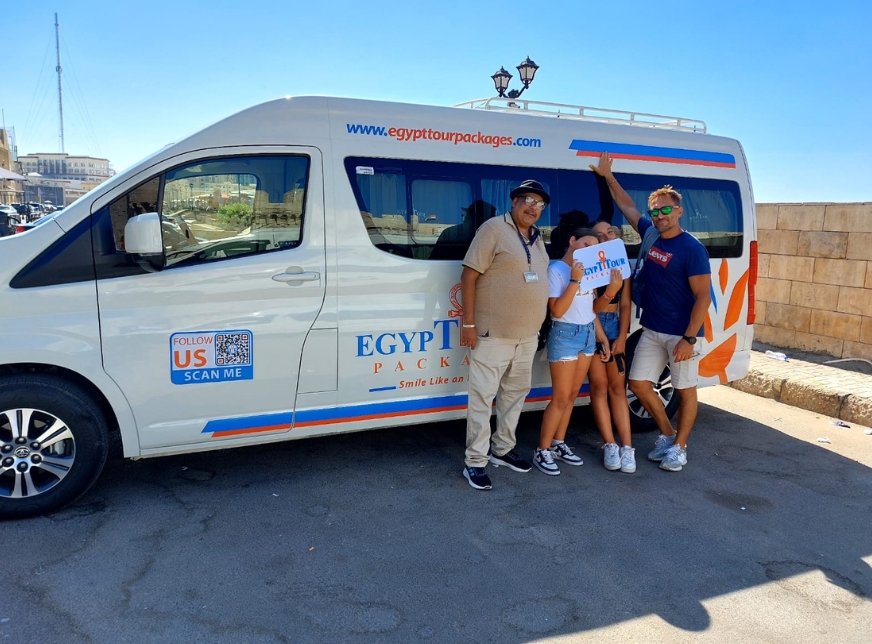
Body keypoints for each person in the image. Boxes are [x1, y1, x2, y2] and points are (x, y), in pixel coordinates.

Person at [591, 152, 711, 472]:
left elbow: (703, 297)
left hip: (681, 333)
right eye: (655, 211)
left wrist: (689, 338)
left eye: (666, 209)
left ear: (679, 211)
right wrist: (608, 177)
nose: (660, 215)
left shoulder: (691, 248)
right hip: (653, 328)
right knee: (639, 383)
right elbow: (627, 206)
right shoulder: (651, 233)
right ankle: (668, 435)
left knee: (684, 390)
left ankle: (680, 448)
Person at [460, 180, 551, 490]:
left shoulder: (537, 237)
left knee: (514, 395)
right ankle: (475, 461)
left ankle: (502, 449)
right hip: (493, 334)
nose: (533, 207)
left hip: (527, 336)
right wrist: (469, 324)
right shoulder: (493, 229)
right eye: (528, 200)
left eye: (539, 204)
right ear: (514, 202)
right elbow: (469, 275)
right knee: (482, 398)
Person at [533, 228, 610, 476]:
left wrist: (601, 337)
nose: (589, 250)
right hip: (565, 334)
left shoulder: (590, 270)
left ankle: (558, 442)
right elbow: (556, 310)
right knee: (561, 397)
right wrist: (575, 280)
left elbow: (591, 307)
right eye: (586, 244)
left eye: (594, 247)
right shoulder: (556, 270)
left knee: (573, 394)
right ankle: (542, 450)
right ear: (572, 240)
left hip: (587, 333)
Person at [588, 220, 635, 473]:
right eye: (599, 235)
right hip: (594, 325)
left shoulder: (621, 264)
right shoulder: (588, 266)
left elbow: (625, 304)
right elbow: (591, 308)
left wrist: (622, 337)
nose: (606, 238)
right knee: (599, 387)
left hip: (615, 324)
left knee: (618, 388)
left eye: (610, 233)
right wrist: (602, 338)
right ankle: (610, 444)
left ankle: (627, 447)